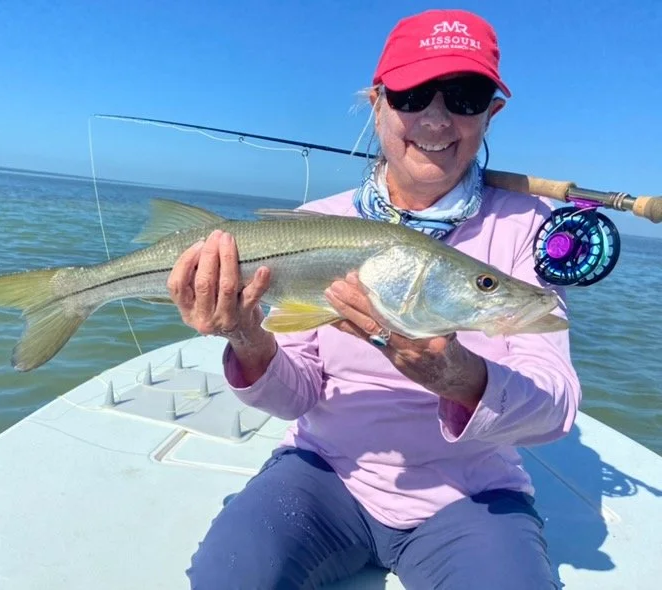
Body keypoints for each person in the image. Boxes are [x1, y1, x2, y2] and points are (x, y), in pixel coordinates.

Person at [168, 8, 581, 589]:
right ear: (377, 103)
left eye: (465, 97)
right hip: (324, 471)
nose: (436, 119)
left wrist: (461, 377)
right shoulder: (314, 222)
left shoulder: (531, 230)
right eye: (411, 95)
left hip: (469, 495)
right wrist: (247, 337)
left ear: (492, 112)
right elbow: (296, 396)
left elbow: (556, 405)